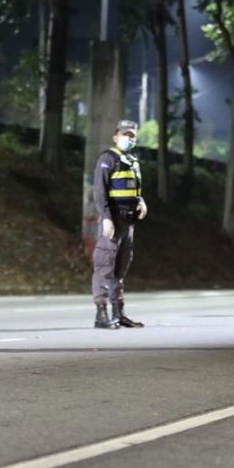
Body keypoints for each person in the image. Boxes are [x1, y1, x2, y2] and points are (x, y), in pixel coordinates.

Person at [91, 120, 148, 329]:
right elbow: (99, 191)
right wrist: (106, 216)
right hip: (113, 220)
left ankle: (118, 312)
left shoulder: (132, 160)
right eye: (125, 134)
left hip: (128, 222)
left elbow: (135, 189)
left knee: (120, 268)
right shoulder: (108, 159)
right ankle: (101, 314)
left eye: (132, 135)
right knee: (104, 265)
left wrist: (141, 201)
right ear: (116, 136)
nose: (129, 138)